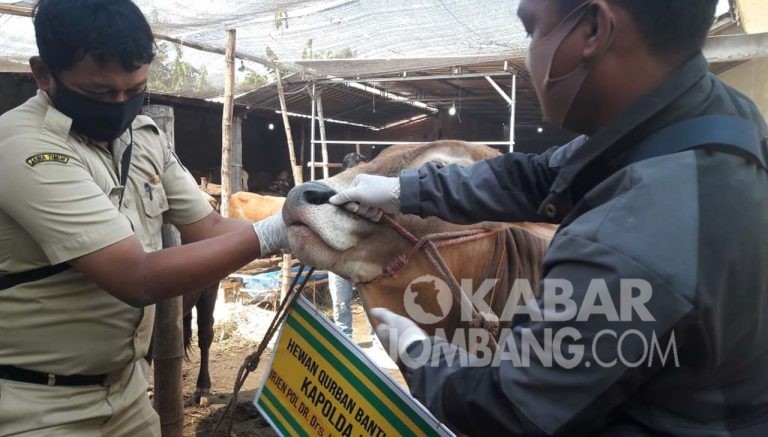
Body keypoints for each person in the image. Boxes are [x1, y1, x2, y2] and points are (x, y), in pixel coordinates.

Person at [328, 0, 768, 434]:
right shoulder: (711, 117)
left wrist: (419, 353)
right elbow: (541, 175)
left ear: (593, 29)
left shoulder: (625, 243)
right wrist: (405, 190)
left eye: (533, 29)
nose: (530, 53)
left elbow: (510, 410)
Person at [0, 1, 287, 435]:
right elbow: (137, 277)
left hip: (128, 393)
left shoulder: (143, 139)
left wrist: (305, 229)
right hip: (38, 406)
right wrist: (275, 231)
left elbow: (207, 229)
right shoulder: (24, 148)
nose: (119, 106)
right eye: (100, 93)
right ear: (43, 74)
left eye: (135, 91)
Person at [328, 152, 367, 337]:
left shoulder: (370, 194)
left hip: (365, 258)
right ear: (347, 171)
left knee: (371, 299)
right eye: (358, 169)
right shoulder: (331, 193)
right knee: (341, 303)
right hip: (339, 257)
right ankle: (346, 340)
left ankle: (377, 342)